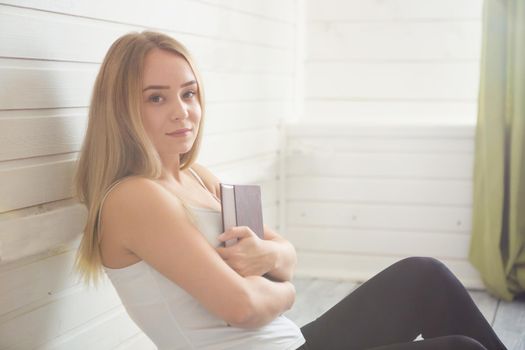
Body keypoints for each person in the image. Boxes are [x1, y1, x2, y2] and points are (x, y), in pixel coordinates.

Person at [73, 31, 508, 350]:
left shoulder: (197, 177)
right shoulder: (134, 197)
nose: (182, 111)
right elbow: (242, 306)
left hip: (292, 342)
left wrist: (273, 259)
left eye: (189, 93)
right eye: (156, 98)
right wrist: (286, 291)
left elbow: (283, 255)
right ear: (123, 109)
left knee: (423, 275)